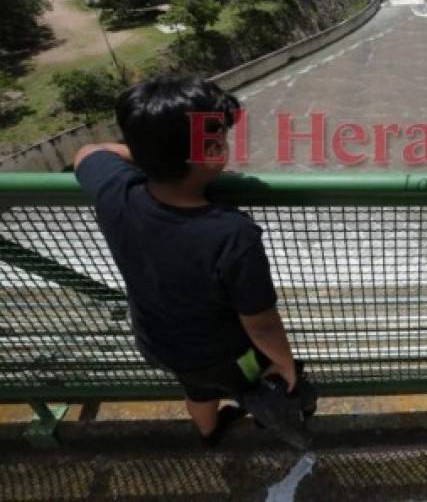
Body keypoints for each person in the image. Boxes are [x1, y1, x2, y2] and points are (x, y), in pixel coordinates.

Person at [74, 76, 297, 446]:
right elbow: (262, 325)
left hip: (158, 343)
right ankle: (259, 412)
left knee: (196, 390)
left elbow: (88, 152)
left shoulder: (116, 194)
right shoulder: (232, 235)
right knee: (254, 383)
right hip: (225, 353)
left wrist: (148, 157)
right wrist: (284, 364)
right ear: (210, 152)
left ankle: (209, 432)